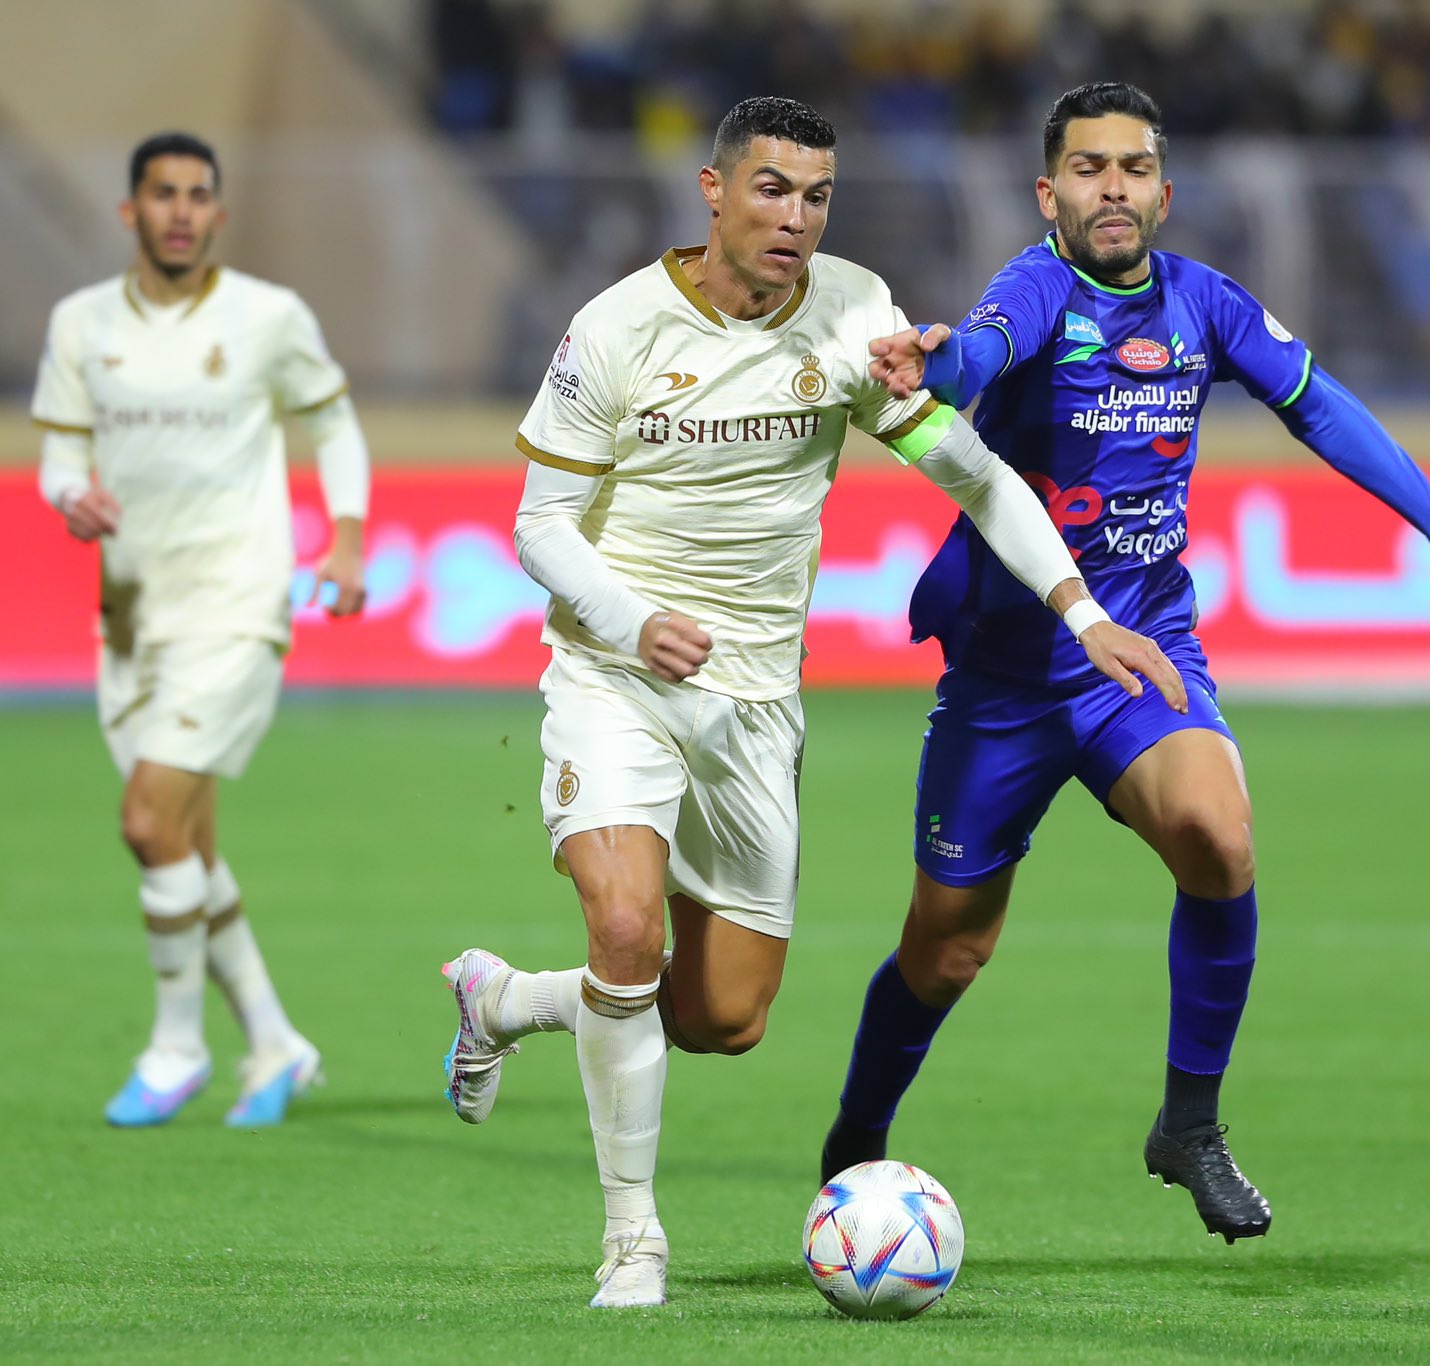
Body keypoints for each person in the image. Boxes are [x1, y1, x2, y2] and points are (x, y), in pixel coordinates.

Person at [437, 96, 1181, 1309]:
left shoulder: (850, 312)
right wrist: (634, 622)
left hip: (754, 704)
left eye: (817, 195)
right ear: (714, 191)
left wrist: (1083, 614)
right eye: (773, 189)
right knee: (625, 929)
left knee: (721, 1016)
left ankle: (507, 999)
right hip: (614, 671)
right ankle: (633, 1238)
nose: (796, 217)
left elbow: (977, 478)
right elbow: (538, 526)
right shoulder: (615, 328)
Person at [821, 82, 1430, 1243]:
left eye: (1133, 168)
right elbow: (982, 352)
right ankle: (854, 1141)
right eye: (1088, 169)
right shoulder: (1039, 285)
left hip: (1138, 657)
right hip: (1006, 680)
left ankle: (1187, 1124)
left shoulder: (1203, 304)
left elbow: (1325, 409)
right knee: (946, 947)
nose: (1113, 188)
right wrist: (933, 367)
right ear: (1048, 193)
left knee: (1219, 833)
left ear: (1162, 189)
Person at [31, 132, 370, 1129]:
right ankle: (273, 1038)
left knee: (145, 820)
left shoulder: (268, 317)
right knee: (180, 842)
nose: (181, 210)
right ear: (130, 211)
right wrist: (67, 499)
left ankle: (176, 1044)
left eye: (198, 195)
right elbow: (59, 454)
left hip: (235, 603)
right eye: (162, 194)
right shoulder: (81, 324)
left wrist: (346, 540)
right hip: (133, 616)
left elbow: (334, 421)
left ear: (217, 213)